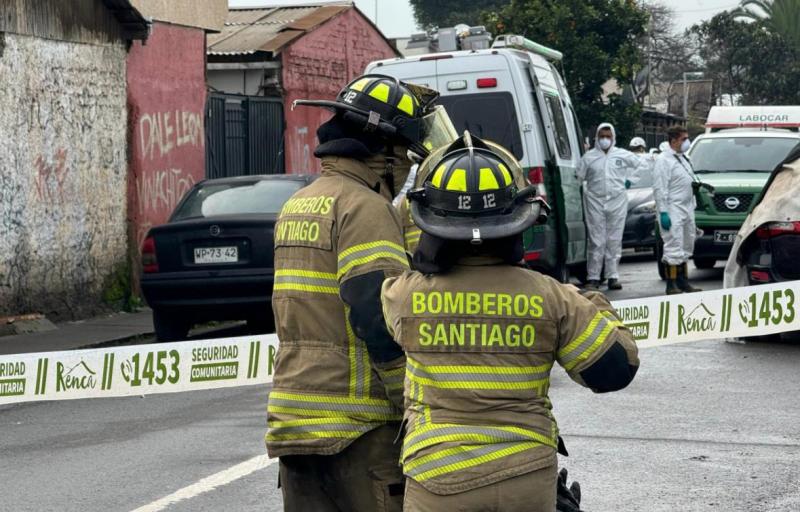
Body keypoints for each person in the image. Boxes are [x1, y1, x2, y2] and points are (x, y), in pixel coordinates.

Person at [381, 132, 640, 512]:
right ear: (521, 221)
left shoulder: (403, 295)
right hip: (527, 477)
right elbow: (615, 370)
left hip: (437, 477)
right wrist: (591, 302)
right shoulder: (552, 297)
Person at [267, 74, 451, 512]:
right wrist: (413, 404)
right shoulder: (364, 208)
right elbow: (376, 315)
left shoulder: (300, 203)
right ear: (382, 152)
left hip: (295, 426)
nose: (408, 167)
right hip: (358, 430)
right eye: (406, 154)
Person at [577, 123, 645, 291]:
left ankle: (612, 276)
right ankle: (593, 277)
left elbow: (641, 165)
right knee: (596, 240)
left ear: (613, 138)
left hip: (617, 201)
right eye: (602, 136)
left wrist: (630, 180)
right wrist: (586, 191)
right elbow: (578, 177)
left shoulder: (622, 155)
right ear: (597, 138)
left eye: (608, 136)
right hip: (595, 202)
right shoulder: (589, 157)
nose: (605, 140)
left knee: (614, 240)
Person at [653, 125, 703, 294]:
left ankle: (683, 281)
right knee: (673, 245)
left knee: (686, 244)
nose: (687, 142)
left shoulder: (683, 158)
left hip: (687, 207)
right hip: (673, 207)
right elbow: (660, 188)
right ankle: (671, 284)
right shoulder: (663, 160)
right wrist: (663, 212)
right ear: (673, 140)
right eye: (684, 139)